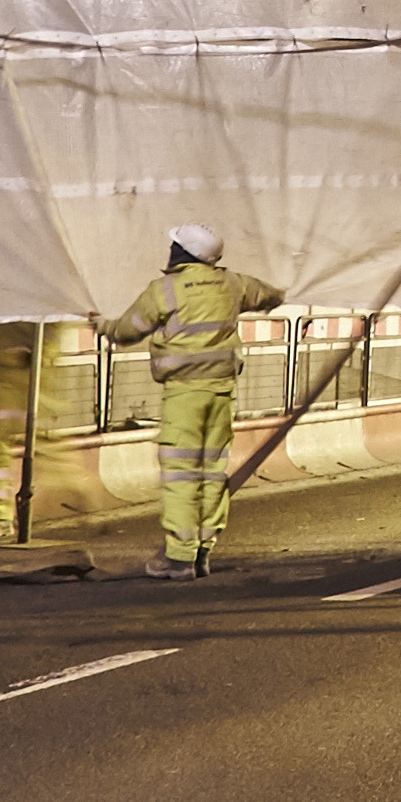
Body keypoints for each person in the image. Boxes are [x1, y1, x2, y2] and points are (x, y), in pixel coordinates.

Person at [97, 223, 284, 578]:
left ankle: (179, 557)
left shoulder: (165, 290)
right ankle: (202, 550)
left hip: (184, 393)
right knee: (212, 472)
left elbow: (127, 330)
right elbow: (271, 296)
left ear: (182, 252)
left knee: (181, 473)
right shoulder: (233, 284)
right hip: (222, 391)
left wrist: (101, 325)